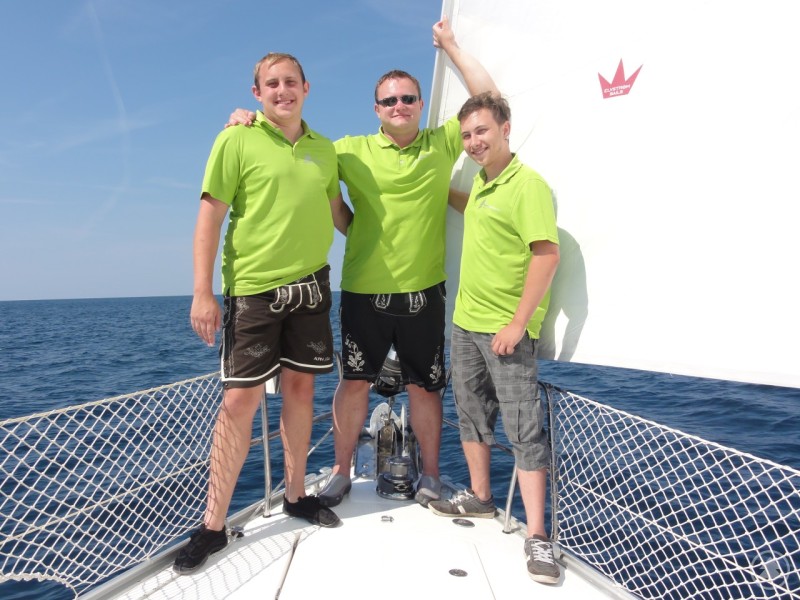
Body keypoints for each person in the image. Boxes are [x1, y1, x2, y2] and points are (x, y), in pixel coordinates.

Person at [225, 18, 498, 509]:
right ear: (376, 109)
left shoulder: (441, 144)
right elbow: (292, 142)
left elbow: (489, 102)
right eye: (390, 100)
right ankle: (340, 471)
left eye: (408, 99)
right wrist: (248, 118)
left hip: (424, 293)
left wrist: (451, 46)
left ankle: (431, 476)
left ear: (419, 105)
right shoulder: (345, 151)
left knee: (425, 388)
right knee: (353, 383)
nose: (399, 106)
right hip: (362, 292)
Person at [173, 52, 347, 576]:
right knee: (238, 403)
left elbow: (339, 214)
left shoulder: (324, 149)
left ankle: (296, 496)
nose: (282, 91)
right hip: (251, 293)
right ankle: (212, 525)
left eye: (290, 82)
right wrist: (202, 292)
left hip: (313, 288)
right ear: (257, 94)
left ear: (306, 88)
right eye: (271, 84)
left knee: (300, 391)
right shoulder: (236, 139)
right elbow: (209, 216)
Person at [426, 92, 561, 585]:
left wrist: (519, 323)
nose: (473, 142)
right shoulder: (482, 185)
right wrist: (429, 186)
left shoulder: (528, 186)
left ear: (506, 128)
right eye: (466, 136)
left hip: (506, 330)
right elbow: (469, 207)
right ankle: (482, 498)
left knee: (524, 430)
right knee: (471, 413)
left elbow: (547, 254)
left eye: (481, 131)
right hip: (465, 323)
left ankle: (538, 537)